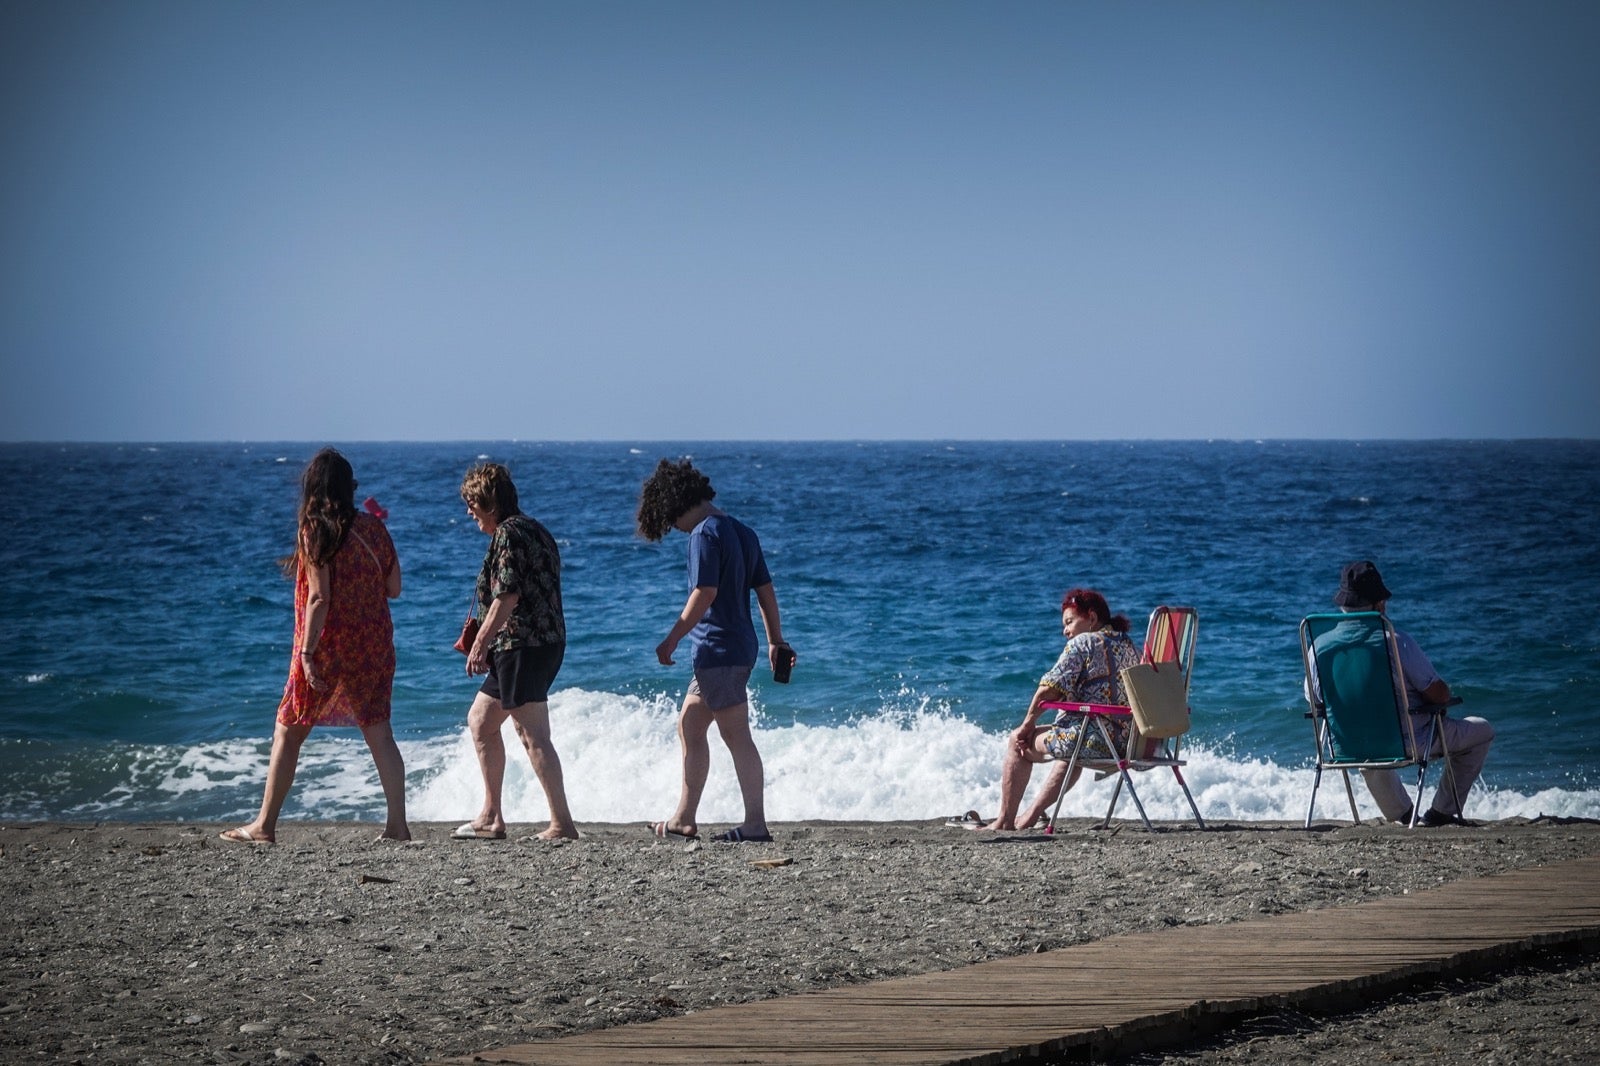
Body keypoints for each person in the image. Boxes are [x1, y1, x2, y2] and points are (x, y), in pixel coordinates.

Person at [222, 448, 409, 844]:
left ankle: (264, 826)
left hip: (327, 646)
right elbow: (394, 589)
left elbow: (319, 597)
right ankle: (397, 827)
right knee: (379, 732)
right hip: (374, 644)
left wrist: (307, 653)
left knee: (288, 730)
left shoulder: (315, 530)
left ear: (313, 489)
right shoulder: (374, 528)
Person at [636, 458, 790, 843]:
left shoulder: (704, 534)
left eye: (671, 520)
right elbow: (765, 591)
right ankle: (684, 819)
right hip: (738, 647)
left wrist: (672, 637)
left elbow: (704, 592)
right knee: (690, 723)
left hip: (718, 649)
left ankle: (755, 824)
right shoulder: (742, 531)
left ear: (675, 504)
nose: (674, 528)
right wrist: (775, 640)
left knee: (737, 736)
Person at [453, 462, 578, 842]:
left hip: (523, 644)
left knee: (532, 734)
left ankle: (562, 825)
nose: (468, 511)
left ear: (489, 503)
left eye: (472, 503)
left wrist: (480, 642)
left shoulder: (509, 534)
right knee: (481, 721)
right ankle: (491, 815)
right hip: (540, 642)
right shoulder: (535, 528)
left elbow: (507, 595)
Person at [1326, 560, 1494, 826]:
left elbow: (1316, 700)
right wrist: (1442, 700)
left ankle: (1403, 814)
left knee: (1367, 742)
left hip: (1351, 745)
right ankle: (1440, 812)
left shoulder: (1320, 647)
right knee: (1482, 731)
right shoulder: (1396, 641)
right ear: (1380, 604)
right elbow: (1438, 694)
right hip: (1409, 742)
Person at [974, 588, 1142, 832]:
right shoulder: (1128, 646)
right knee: (1071, 747)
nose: (1065, 630)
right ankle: (1030, 816)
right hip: (1128, 743)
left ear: (1092, 618)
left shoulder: (1084, 643)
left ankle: (1005, 820)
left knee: (1016, 741)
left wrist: (1027, 724)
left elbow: (1047, 690)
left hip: (1094, 741)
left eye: (1070, 622)